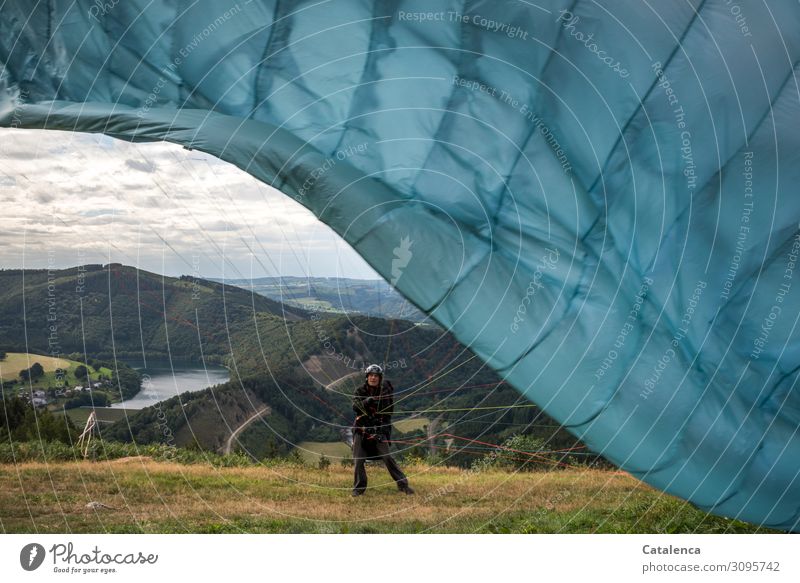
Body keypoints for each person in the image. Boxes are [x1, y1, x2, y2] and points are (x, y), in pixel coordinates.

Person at [351, 364, 414, 496]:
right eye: (371, 375)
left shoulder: (384, 392)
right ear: (367, 377)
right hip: (361, 431)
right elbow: (355, 407)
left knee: (387, 457)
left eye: (376, 376)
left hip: (379, 431)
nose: (373, 378)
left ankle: (403, 485)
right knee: (358, 460)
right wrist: (366, 402)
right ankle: (358, 489)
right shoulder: (360, 391)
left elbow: (389, 412)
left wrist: (384, 398)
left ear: (379, 378)